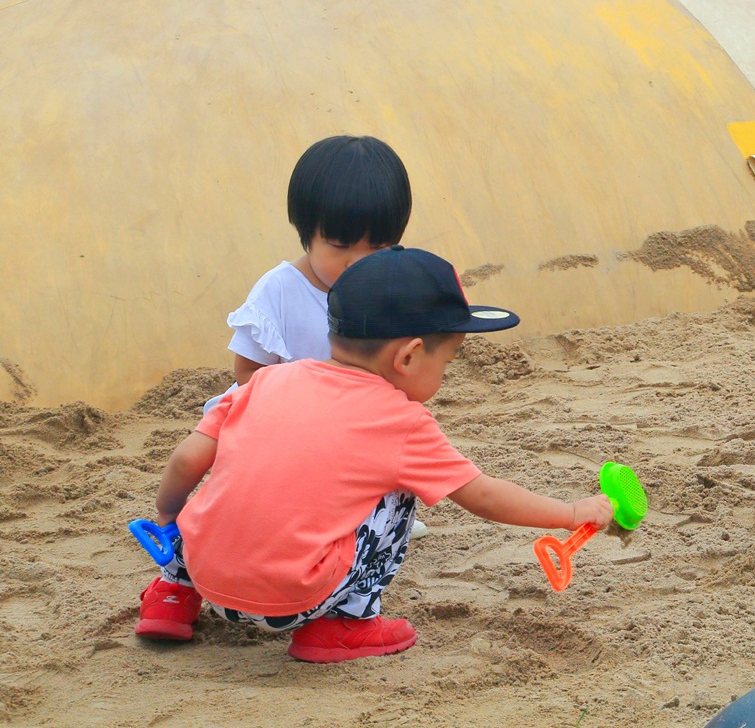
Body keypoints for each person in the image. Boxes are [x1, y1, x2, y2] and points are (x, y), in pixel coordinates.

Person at [135, 247, 615, 662]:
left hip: (206, 574)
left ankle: (171, 596)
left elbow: (186, 460)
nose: (446, 372)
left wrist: (167, 516)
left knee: (224, 489)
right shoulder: (401, 423)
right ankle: (344, 624)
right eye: (446, 360)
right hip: (294, 603)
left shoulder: (266, 381)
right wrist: (572, 513)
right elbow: (482, 495)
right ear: (407, 357)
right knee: (399, 492)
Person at [224, 135, 414, 388]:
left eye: (378, 247)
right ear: (306, 232)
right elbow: (248, 374)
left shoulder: (397, 288)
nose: (357, 263)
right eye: (340, 246)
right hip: (283, 413)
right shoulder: (279, 291)